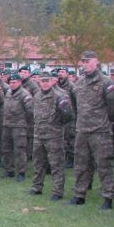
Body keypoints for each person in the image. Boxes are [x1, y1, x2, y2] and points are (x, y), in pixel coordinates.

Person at [66, 51, 114, 209]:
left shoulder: (106, 82)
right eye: (83, 62)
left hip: (100, 131)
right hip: (82, 130)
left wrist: (104, 121)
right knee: (80, 164)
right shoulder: (79, 82)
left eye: (88, 61)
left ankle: (108, 197)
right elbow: (75, 104)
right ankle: (79, 195)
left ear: (96, 62)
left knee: (103, 165)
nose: (85, 64)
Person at [28, 72, 73, 200]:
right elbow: (33, 112)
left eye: (47, 81)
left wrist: (57, 124)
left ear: (52, 82)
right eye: (42, 81)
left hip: (54, 136)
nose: (45, 83)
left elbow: (68, 114)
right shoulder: (37, 96)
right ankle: (37, 187)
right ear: (39, 82)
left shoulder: (59, 96)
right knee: (38, 163)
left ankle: (57, 191)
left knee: (56, 164)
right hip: (39, 135)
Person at [1, 73, 34, 181]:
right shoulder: (9, 92)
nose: (11, 84)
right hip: (7, 125)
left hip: (19, 126)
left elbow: (30, 112)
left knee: (19, 150)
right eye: (10, 82)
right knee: (6, 149)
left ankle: (21, 172)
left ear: (20, 82)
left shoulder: (25, 94)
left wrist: (24, 122)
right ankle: (9, 170)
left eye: (14, 82)